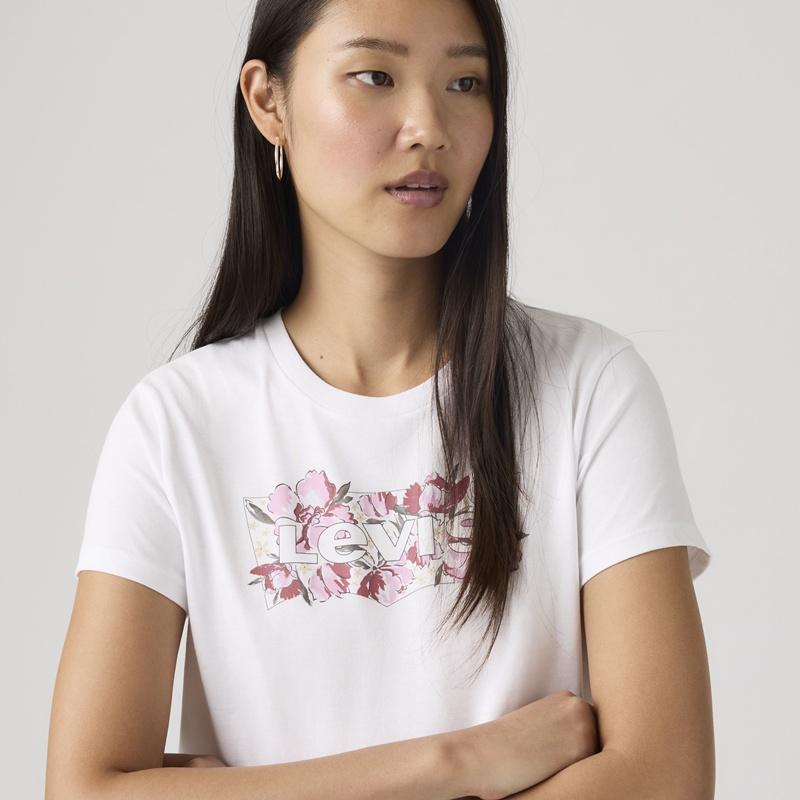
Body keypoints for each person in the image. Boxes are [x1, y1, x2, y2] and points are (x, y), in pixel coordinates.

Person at [46, 1, 714, 798]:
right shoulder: (177, 426)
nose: (428, 127)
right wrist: (458, 762)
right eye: (375, 76)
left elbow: (666, 778)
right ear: (268, 101)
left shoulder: (590, 388)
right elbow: (85, 790)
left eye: (465, 82)